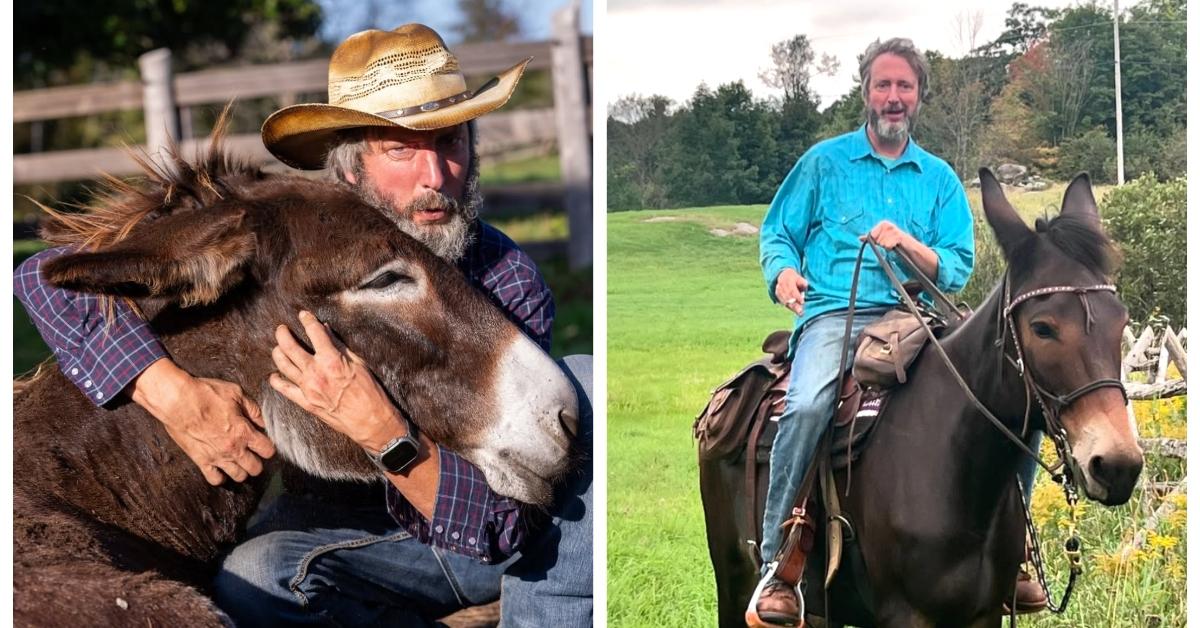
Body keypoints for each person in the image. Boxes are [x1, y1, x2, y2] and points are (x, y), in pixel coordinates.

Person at [14, 24, 592, 627]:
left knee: (584, 384)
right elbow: (44, 277)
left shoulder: (506, 278)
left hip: (467, 530)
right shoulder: (306, 243)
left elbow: (499, 525)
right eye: (399, 149)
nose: (436, 175)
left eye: (450, 141)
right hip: (342, 531)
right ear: (348, 169)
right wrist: (173, 393)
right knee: (252, 581)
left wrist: (387, 436)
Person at [749, 37, 1042, 626]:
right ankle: (778, 564)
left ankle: (1017, 553)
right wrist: (782, 274)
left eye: (904, 86)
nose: (893, 97)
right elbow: (777, 233)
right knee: (806, 404)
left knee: (1019, 394)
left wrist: (907, 243)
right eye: (882, 85)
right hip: (837, 312)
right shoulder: (823, 163)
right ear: (865, 93)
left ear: (919, 97)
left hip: (920, 316)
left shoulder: (937, 180)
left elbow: (956, 264)